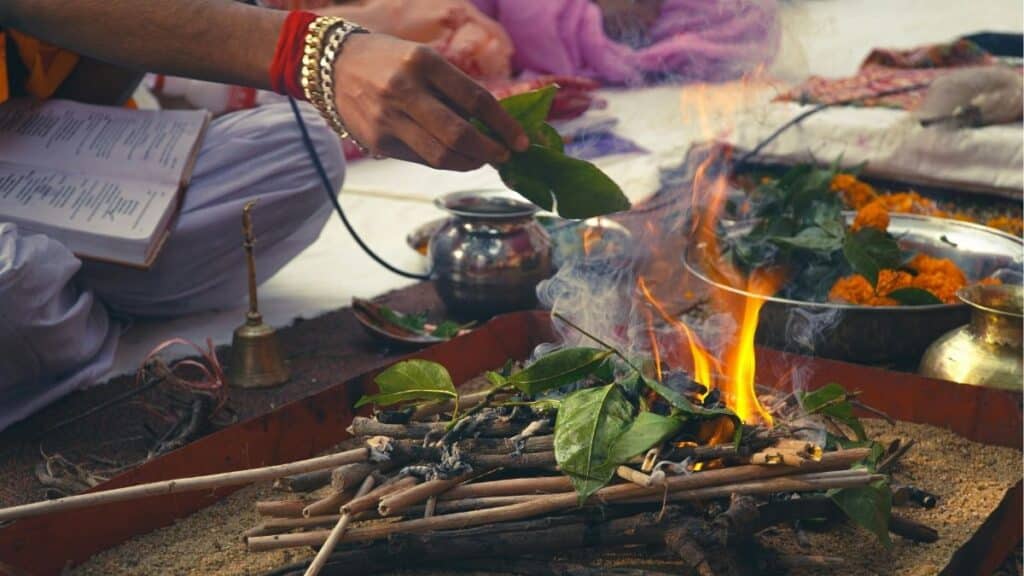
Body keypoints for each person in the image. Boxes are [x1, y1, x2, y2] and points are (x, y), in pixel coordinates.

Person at [0, 0, 528, 431]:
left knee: (299, 152)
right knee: (19, 284)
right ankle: (77, 301)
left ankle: (72, 300)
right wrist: (318, 52)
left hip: (27, 150)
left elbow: (80, 84)